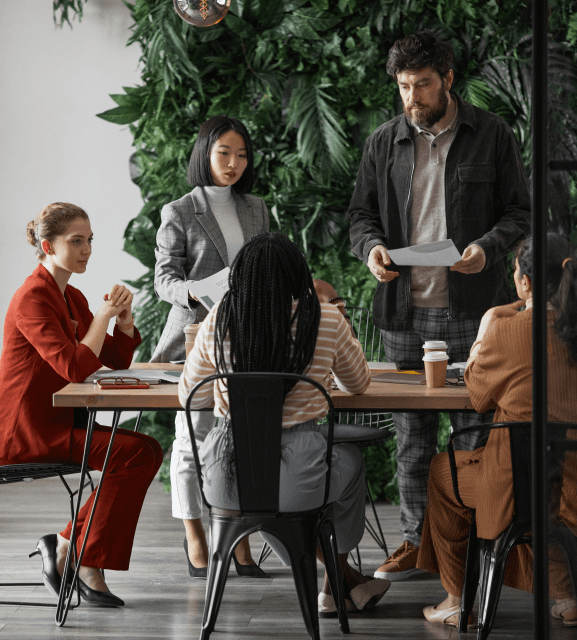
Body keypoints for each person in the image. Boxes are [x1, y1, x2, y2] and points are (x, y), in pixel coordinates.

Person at [347, 30, 531, 581]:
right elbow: (361, 216)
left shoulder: (492, 134)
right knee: (412, 436)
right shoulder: (384, 141)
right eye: (403, 86)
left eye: (422, 85)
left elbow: (519, 213)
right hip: (405, 312)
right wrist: (371, 250)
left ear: (448, 80)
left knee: (475, 433)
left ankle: (471, 547)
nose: (412, 98)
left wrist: (487, 248)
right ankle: (414, 543)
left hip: (477, 313)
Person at [178, 232, 392, 615]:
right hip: (299, 475)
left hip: (229, 479)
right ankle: (335, 585)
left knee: (263, 502)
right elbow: (358, 384)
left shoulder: (219, 317)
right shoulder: (324, 318)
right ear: (298, 275)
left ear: (238, 277)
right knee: (349, 463)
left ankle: (340, 582)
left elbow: (189, 394)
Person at [417, 233, 577, 628]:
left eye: (515, 271)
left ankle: (456, 598)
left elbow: (478, 396)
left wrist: (486, 325)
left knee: (444, 472)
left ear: (525, 282)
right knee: (546, 471)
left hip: (527, 493)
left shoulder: (507, 330)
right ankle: (566, 594)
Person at [0, 203, 163, 607]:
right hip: (26, 431)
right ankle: (84, 557)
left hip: (58, 423)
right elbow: (74, 367)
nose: (86, 248)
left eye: (89, 240)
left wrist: (121, 320)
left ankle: (68, 543)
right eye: (76, 241)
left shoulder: (69, 295)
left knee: (144, 451)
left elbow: (114, 357)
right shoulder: (32, 298)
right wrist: (102, 317)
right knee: (137, 454)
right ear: (47, 245)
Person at [150, 116, 269, 578]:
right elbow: (164, 281)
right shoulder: (179, 210)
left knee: (239, 442)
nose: (234, 163)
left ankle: (236, 540)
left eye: (242, 155)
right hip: (196, 339)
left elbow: (265, 266)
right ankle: (195, 537)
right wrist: (199, 289)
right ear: (205, 152)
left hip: (247, 339)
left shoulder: (256, 207)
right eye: (225, 153)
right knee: (192, 442)